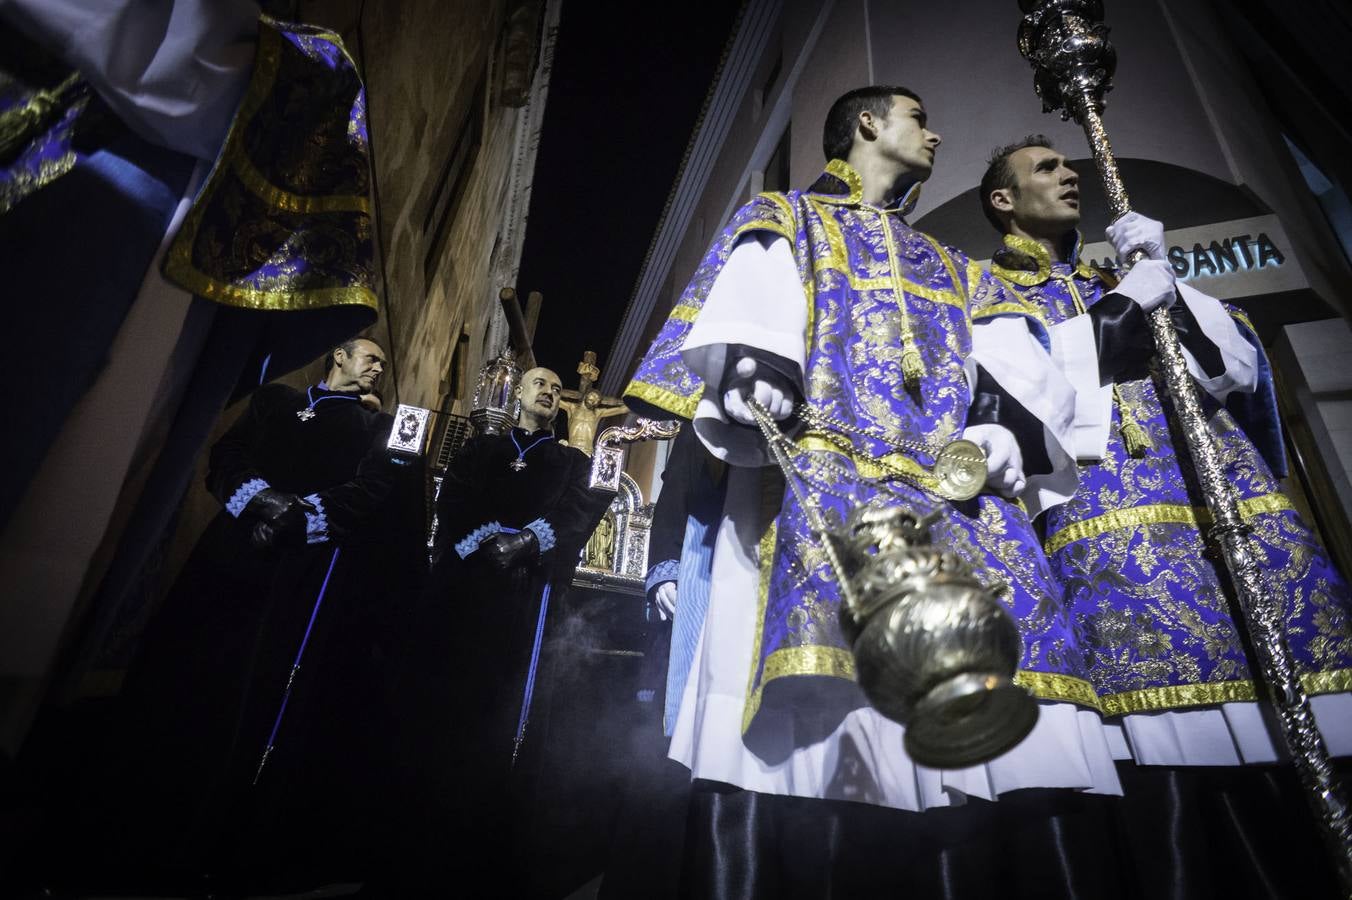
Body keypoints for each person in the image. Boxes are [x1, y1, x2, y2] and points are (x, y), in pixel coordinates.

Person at [621, 85, 1144, 896]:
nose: (935, 135)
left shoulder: (953, 265)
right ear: (870, 123)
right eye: (918, 118)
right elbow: (750, 310)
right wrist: (759, 370)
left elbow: (1021, 373)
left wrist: (1001, 426)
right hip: (817, 477)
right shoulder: (789, 216)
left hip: (956, 505)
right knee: (824, 729)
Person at [980, 135, 1352, 759]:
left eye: (1072, 165)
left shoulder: (1120, 274)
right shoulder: (986, 290)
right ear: (1004, 199)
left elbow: (1235, 373)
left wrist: (1167, 280)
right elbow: (1011, 384)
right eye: (1047, 168)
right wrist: (1124, 305)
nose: (1070, 175)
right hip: (1105, 508)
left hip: (1213, 487)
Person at [104, 337, 422, 890]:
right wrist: (260, 500)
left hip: (301, 575)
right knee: (189, 675)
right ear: (338, 356)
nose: (378, 365)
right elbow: (227, 456)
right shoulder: (274, 401)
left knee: (258, 691)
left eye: (381, 361)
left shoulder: (382, 427)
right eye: (369, 355)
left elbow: (373, 490)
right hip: (229, 556)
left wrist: (297, 517)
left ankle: (222, 837)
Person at [390, 365, 613, 893]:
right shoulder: (479, 450)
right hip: (467, 594)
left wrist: (529, 541)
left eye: (558, 390)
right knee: (448, 708)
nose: (552, 393)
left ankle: (490, 845)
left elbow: (580, 511)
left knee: (509, 712)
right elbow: (453, 504)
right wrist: (486, 543)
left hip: (526, 597)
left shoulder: (569, 460)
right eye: (542, 384)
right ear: (518, 392)